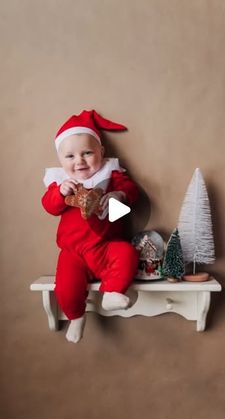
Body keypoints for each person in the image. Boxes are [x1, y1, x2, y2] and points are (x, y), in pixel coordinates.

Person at [42, 110, 139, 343]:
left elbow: (132, 191)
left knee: (127, 253)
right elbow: (49, 206)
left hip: (106, 246)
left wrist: (119, 194)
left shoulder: (111, 174)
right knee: (65, 287)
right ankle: (76, 317)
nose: (80, 161)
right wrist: (59, 193)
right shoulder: (61, 183)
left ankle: (112, 293)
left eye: (87, 153)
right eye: (70, 157)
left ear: (101, 152)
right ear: (61, 160)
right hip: (73, 253)